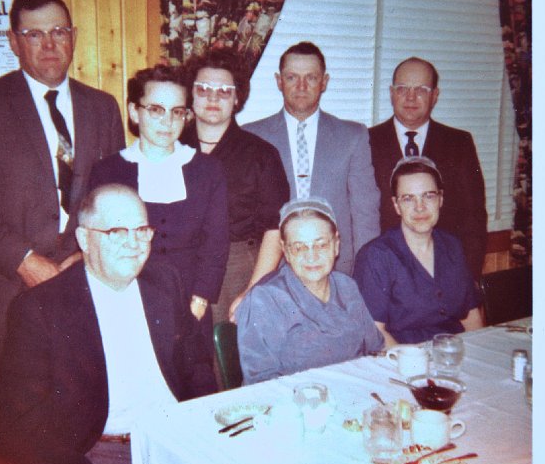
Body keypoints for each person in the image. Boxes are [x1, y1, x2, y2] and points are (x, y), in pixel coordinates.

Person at [0, 0, 125, 464]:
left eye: (59, 31)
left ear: (73, 38)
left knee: (72, 419)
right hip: (2, 296)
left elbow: (113, 195)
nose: (49, 44)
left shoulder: (102, 107)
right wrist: (30, 263)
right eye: (34, 33)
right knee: (3, 432)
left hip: (80, 291)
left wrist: (81, 264)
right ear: (13, 41)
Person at [0, 184, 217, 464]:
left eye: (142, 230)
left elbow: (197, 368)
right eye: (116, 231)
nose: (133, 243)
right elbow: (20, 422)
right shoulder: (39, 309)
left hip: (175, 443)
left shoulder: (166, 281)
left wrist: (203, 432)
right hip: (101, 457)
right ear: (84, 239)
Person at [88, 64, 229, 354]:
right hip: (127, 300)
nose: (167, 121)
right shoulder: (108, 171)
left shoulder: (207, 169)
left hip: (191, 303)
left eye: (177, 111)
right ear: (134, 112)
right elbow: (98, 246)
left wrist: (199, 301)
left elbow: (216, 242)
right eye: (156, 110)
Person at [243, 41, 380, 276]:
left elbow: (365, 214)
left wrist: (367, 273)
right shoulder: (251, 136)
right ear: (279, 81)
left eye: (311, 78)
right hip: (271, 270)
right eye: (292, 77)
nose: (301, 86)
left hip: (335, 269)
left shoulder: (353, 136)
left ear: (324, 82)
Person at [179, 50, 290, 324]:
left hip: (238, 269)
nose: (213, 98)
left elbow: (274, 229)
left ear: (237, 97)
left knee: (226, 361)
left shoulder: (261, 155)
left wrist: (252, 291)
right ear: (190, 95)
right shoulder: (170, 146)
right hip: (179, 265)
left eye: (224, 91)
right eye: (203, 89)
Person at [236, 197, 384, 385]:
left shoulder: (347, 286)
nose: (311, 256)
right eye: (299, 247)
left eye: (321, 245)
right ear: (286, 251)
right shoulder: (264, 299)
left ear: (336, 245)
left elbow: (374, 349)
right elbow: (262, 382)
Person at [368, 56, 487, 278]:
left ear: (435, 96)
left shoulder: (459, 143)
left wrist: (468, 280)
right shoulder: (366, 141)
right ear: (391, 93)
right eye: (402, 88)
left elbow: (474, 218)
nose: (410, 97)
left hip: (445, 271)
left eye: (421, 89)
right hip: (386, 272)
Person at [353, 156, 484, 346]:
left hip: (451, 356)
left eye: (428, 196)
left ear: (440, 199)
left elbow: (471, 316)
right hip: (401, 361)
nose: (420, 207)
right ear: (396, 205)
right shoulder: (376, 256)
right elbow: (375, 332)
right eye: (408, 198)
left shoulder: (452, 246)